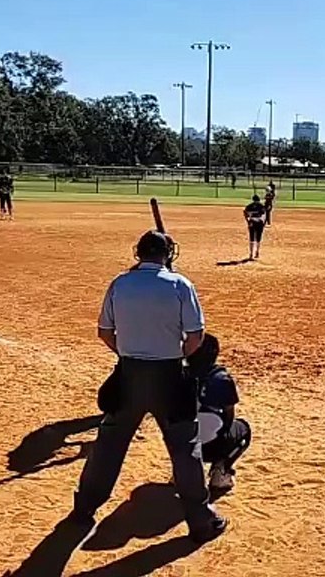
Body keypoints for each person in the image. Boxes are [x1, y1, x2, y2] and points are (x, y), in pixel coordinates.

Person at [71, 231, 226, 543]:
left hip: (128, 375)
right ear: (167, 253)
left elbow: (105, 332)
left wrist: (129, 355)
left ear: (138, 253)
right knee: (185, 449)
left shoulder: (120, 283)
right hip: (169, 376)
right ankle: (200, 519)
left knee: (109, 443)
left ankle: (84, 507)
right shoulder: (181, 285)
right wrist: (175, 356)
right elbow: (196, 337)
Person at [186, 334, 250, 495]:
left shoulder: (179, 376)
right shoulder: (222, 379)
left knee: (180, 425)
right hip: (212, 447)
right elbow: (229, 416)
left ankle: (182, 472)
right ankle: (220, 471)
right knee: (243, 429)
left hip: (182, 445)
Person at [244, 194, 267, 260]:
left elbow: (245, 213)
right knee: (258, 238)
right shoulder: (261, 206)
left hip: (252, 222)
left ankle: (251, 254)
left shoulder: (249, 206)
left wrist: (248, 221)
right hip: (259, 222)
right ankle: (256, 252)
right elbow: (264, 215)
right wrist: (263, 223)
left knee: (252, 238)